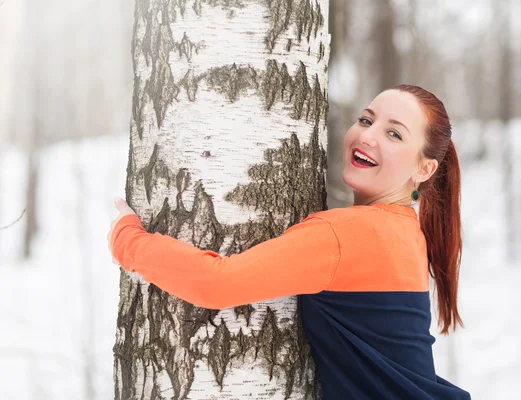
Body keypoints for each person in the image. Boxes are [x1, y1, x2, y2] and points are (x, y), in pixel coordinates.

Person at [108, 84, 471, 399]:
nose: (367, 136)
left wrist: (128, 240)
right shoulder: (406, 231)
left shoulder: (348, 234)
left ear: (424, 169)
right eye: (365, 120)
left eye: (394, 134)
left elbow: (215, 283)